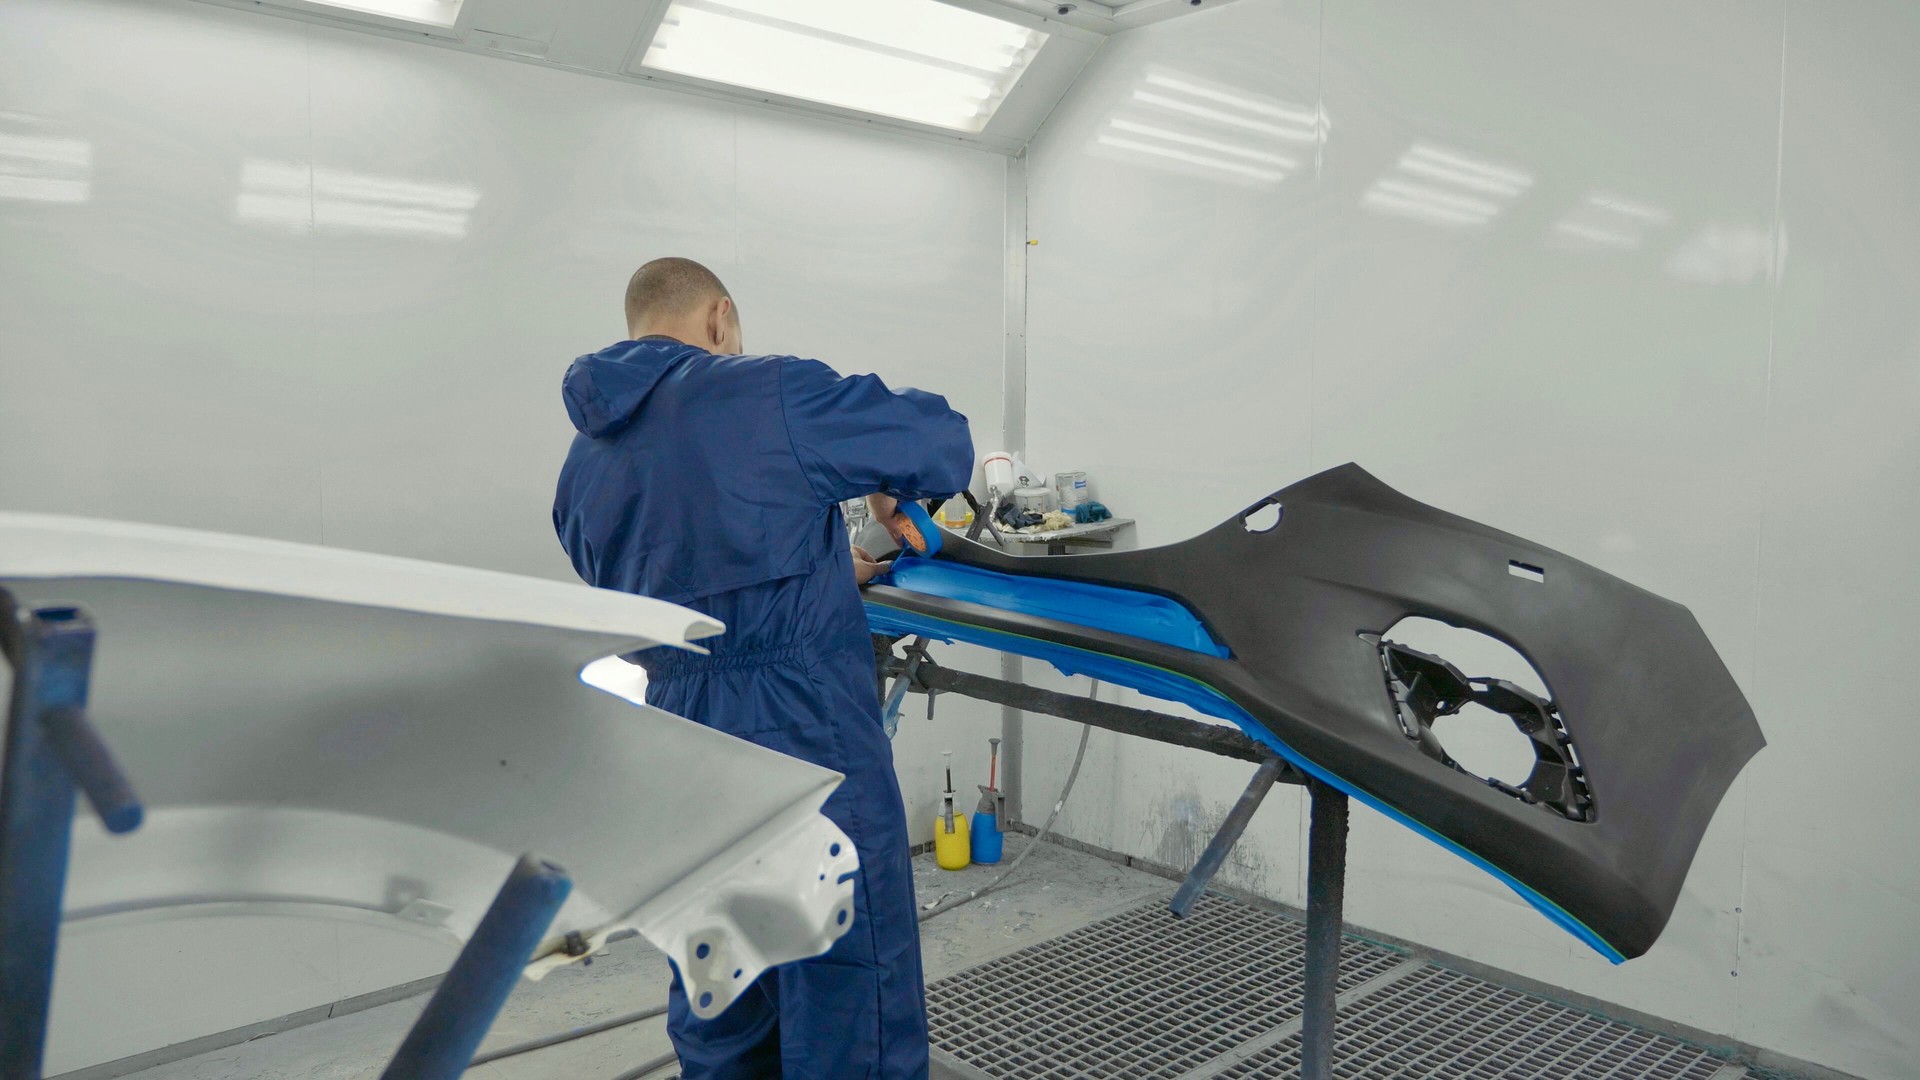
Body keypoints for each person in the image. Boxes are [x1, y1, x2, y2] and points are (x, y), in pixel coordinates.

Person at [552, 257, 973, 1078]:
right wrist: (889, 490)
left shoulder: (582, 467)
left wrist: (816, 557)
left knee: (723, 982)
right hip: (804, 732)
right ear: (720, 318)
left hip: (679, 742)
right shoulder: (763, 390)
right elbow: (936, 438)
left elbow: (679, 571)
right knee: (850, 985)